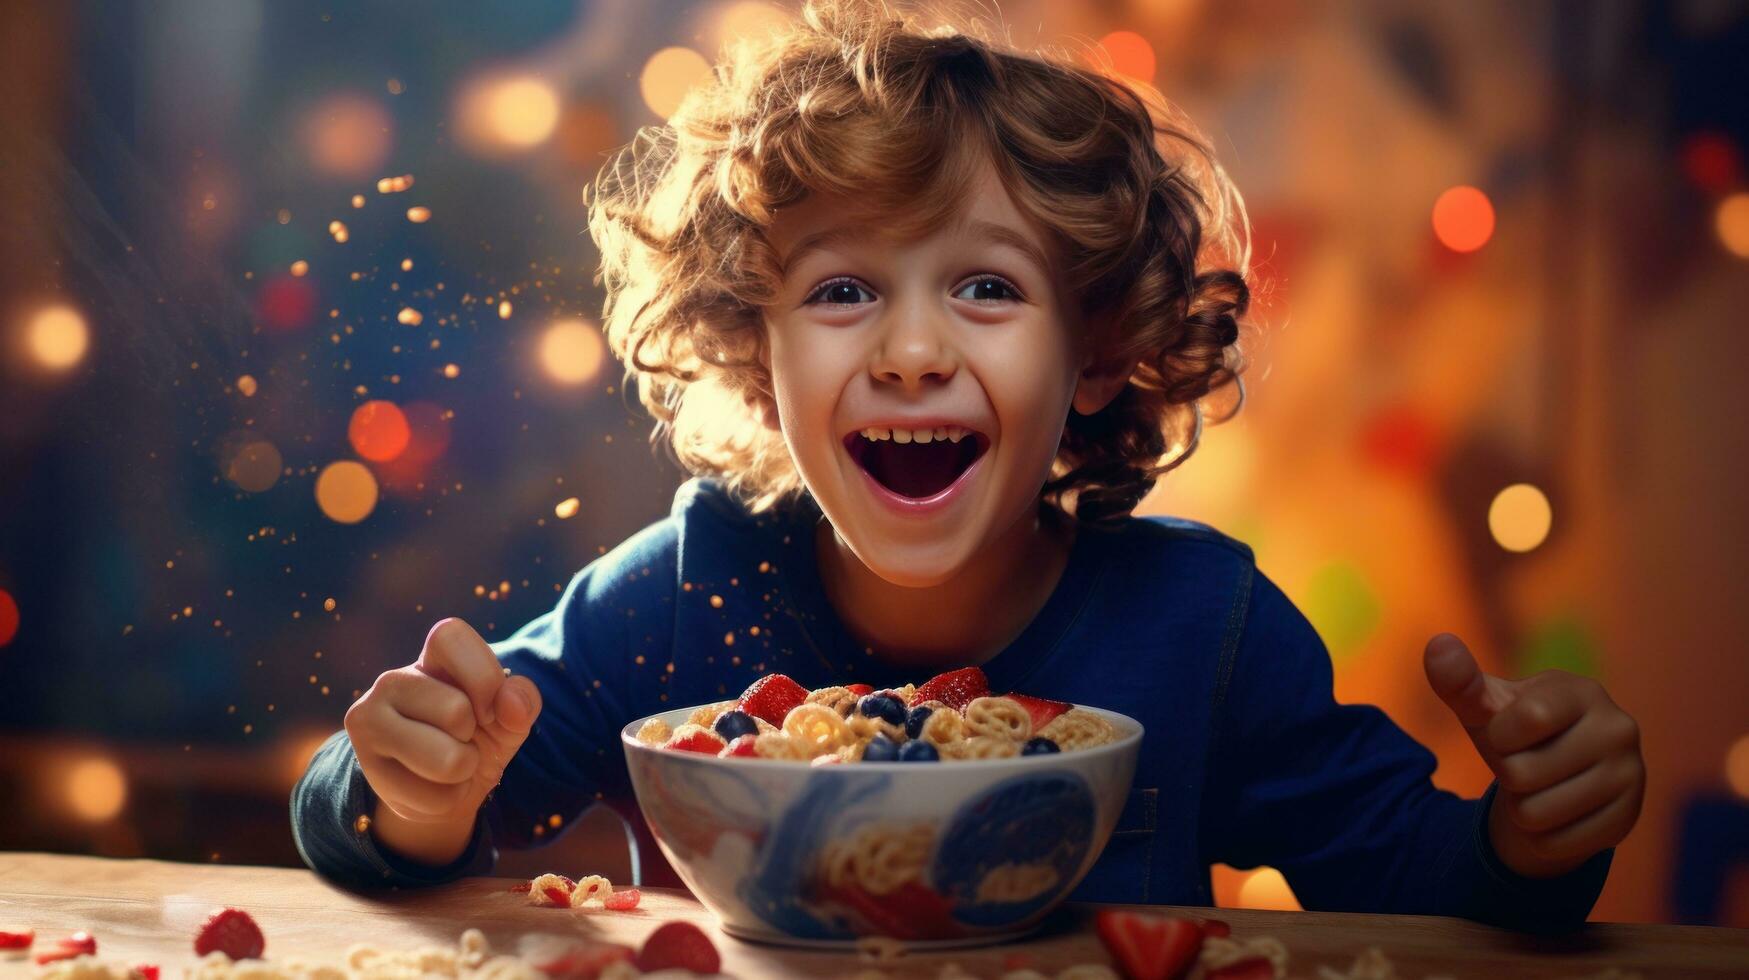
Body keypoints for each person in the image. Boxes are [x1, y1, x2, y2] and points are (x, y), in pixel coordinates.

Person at [292, 0, 1644, 931]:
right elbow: (383, 825)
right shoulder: (673, 597)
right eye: (841, 295)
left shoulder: (1204, 631)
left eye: (985, 288)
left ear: (1099, 354)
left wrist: (1531, 838)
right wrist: (412, 788)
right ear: (758, 360)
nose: (910, 351)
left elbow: (1429, 886)